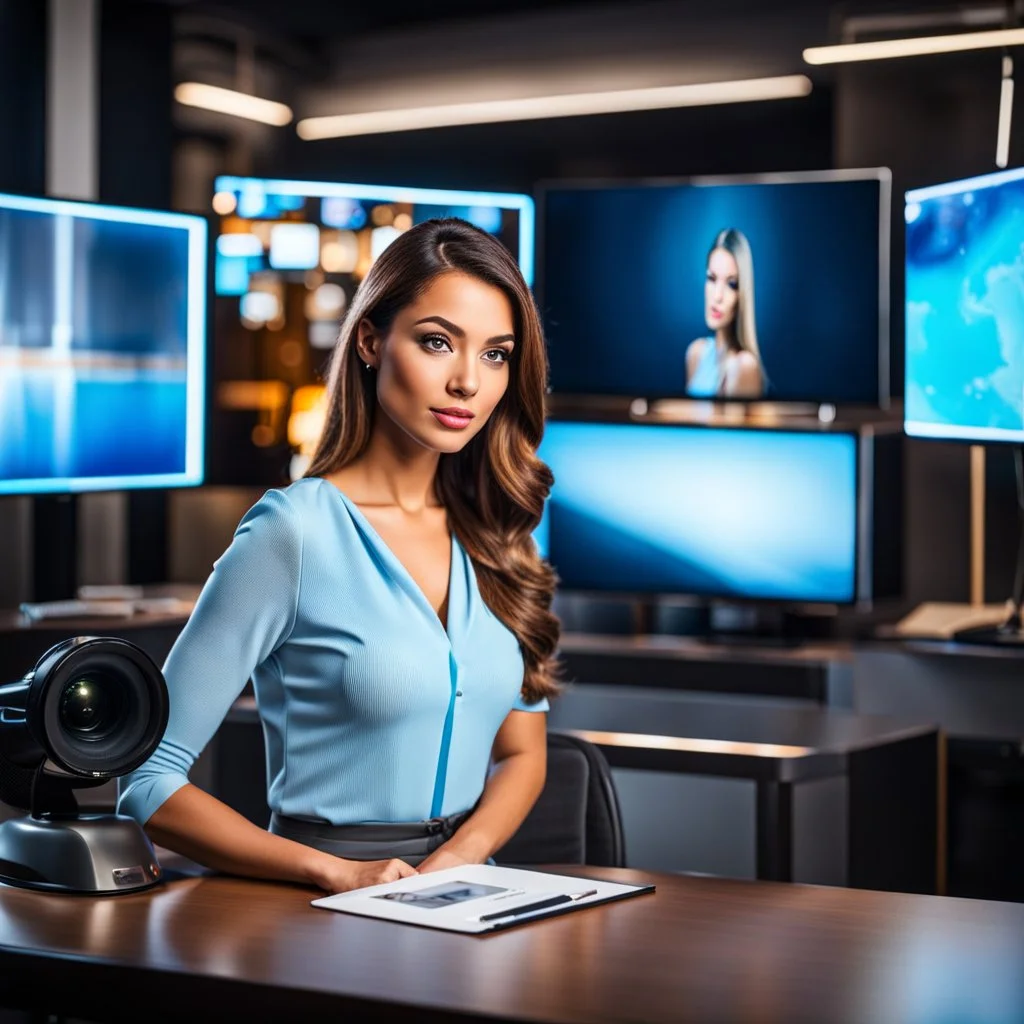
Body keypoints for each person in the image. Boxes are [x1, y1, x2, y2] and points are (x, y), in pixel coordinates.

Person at [117, 218, 560, 894]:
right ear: (370, 341)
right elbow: (144, 779)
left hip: (471, 895)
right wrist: (337, 871)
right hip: (321, 902)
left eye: (496, 354)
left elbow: (523, 752)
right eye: (438, 342)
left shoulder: (502, 535)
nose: (468, 381)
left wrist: (463, 857)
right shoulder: (291, 534)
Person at [684, 228, 766, 399]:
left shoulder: (745, 366)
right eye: (712, 279)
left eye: (731, 284)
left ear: (742, 295)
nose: (717, 296)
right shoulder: (696, 353)